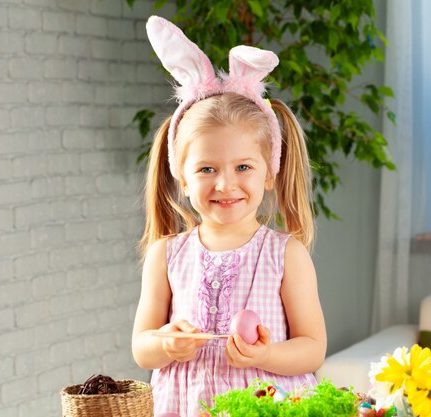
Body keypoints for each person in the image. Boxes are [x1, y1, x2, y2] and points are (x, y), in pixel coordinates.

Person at [132, 16, 327, 417]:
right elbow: (141, 348)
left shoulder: (285, 255)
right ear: (181, 178)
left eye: (243, 167)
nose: (225, 185)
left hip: (265, 407)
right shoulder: (166, 255)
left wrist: (266, 354)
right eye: (206, 169)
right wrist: (166, 343)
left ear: (269, 172)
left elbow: (312, 348)